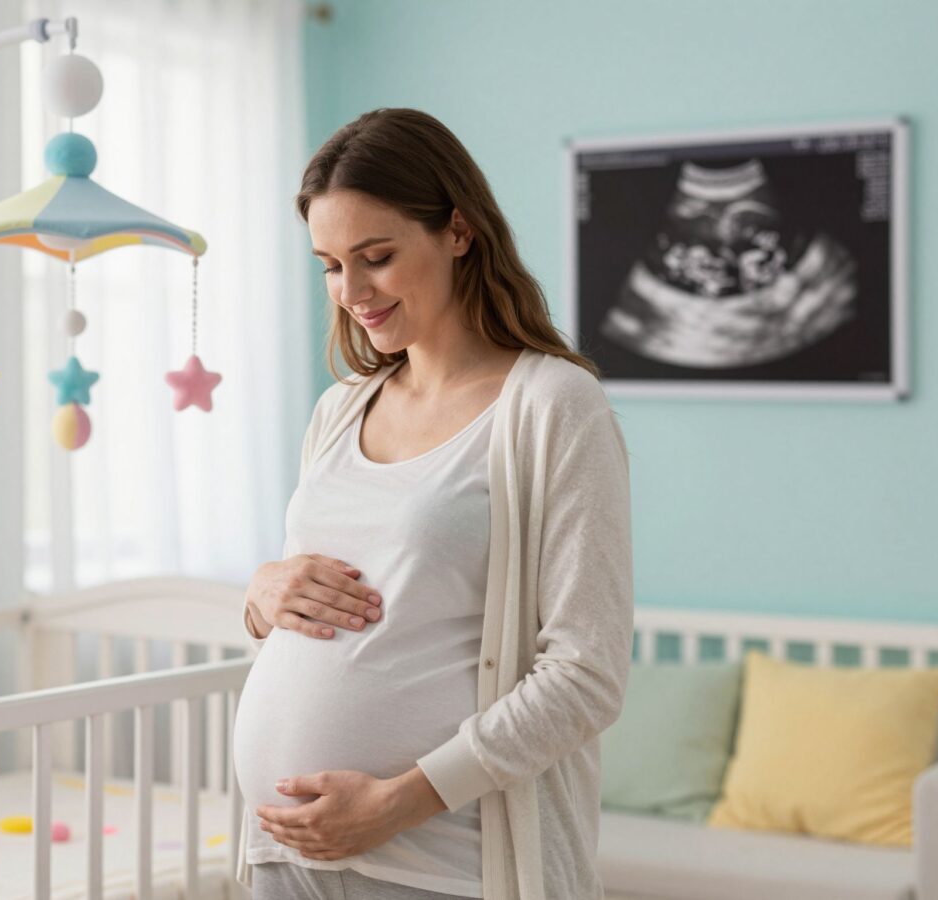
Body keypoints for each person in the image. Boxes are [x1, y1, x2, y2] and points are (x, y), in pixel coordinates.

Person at [232, 108, 634, 900]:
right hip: (287, 854)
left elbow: (587, 674)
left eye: (375, 257)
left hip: (442, 863)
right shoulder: (341, 408)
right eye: (330, 265)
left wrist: (396, 802)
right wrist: (260, 595)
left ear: (457, 231)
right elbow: (324, 614)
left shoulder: (553, 407)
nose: (352, 292)